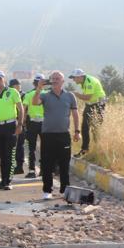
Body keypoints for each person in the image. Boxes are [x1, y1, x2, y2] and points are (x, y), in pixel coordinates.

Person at [32, 71, 80, 199]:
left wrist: (77, 131)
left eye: (58, 78)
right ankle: (47, 190)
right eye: (53, 78)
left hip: (64, 135)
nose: (55, 80)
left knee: (64, 164)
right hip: (48, 135)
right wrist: (39, 88)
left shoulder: (70, 96)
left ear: (63, 81)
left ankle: (65, 190)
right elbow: (35, 102)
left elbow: (75, 114)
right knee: (47, 164)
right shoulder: (45, 95)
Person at [0, 71, 24, 190]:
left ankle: (8, 181)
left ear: (4, 79)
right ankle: (3, 181)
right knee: (2, 156)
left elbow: (21, 109)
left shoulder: (12, 92)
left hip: (11, 126)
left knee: (10, 155)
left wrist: (20, 125)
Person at [69, 68, 106, 156]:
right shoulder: (83, 81)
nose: (73, 80)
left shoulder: (89, 81)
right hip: (90, 104)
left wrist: (76, 94)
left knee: (95, 128)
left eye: (74, 78)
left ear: (80, 77)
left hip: (98, 105)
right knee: (84, 127)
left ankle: (97, 150)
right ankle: (84, 150)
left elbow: (87, 97)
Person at [22, 74, 46, 178]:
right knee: (45, 147)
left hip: (32, 123)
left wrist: (22, 122)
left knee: (31, 148)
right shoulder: (47, 94)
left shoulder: (28, 94)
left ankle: (32, 170)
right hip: (45, 123)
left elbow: (24, 109)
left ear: (33, 83)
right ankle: (43, 169)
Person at [9, 79, 26, 175]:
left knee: (19, 145)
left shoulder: (23, 95)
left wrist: (21, 123)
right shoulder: (12, 95)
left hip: (20, 123)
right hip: (14, 123)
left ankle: (19, 166)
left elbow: (24, 110)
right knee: (15, 145)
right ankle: (16, 165)